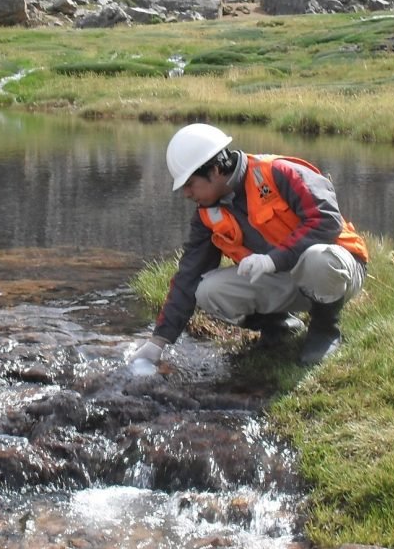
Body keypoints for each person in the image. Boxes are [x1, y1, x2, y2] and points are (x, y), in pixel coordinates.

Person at [129, 123, 368, 367]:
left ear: (214, 170)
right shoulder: (206, 214)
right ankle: (280, 325)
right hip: (286, 283)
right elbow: (188, 276)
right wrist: (159, 340)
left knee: (318, 259)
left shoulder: (278, 172)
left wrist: (273, 260)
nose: (186, 194)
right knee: (208, 290)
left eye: (190, 184)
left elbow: (326, 222)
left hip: (337, 272)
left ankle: (325, 330)